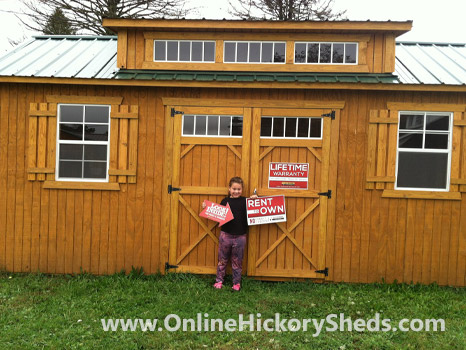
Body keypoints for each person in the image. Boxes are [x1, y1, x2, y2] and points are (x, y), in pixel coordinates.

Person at [202, 177, 257, 291]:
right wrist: (206, 208)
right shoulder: (225, 201)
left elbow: (259, 207)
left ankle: (236, 283)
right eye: (234, 189)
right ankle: (219, 281)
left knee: (237, 261)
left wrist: (255, 199)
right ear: (229, 188)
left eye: (239, 189)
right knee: (222, 260)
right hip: (225, 235)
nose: (236, 191)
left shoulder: (245, 201)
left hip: (240, 237)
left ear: (242, 189)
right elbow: (216, 213)